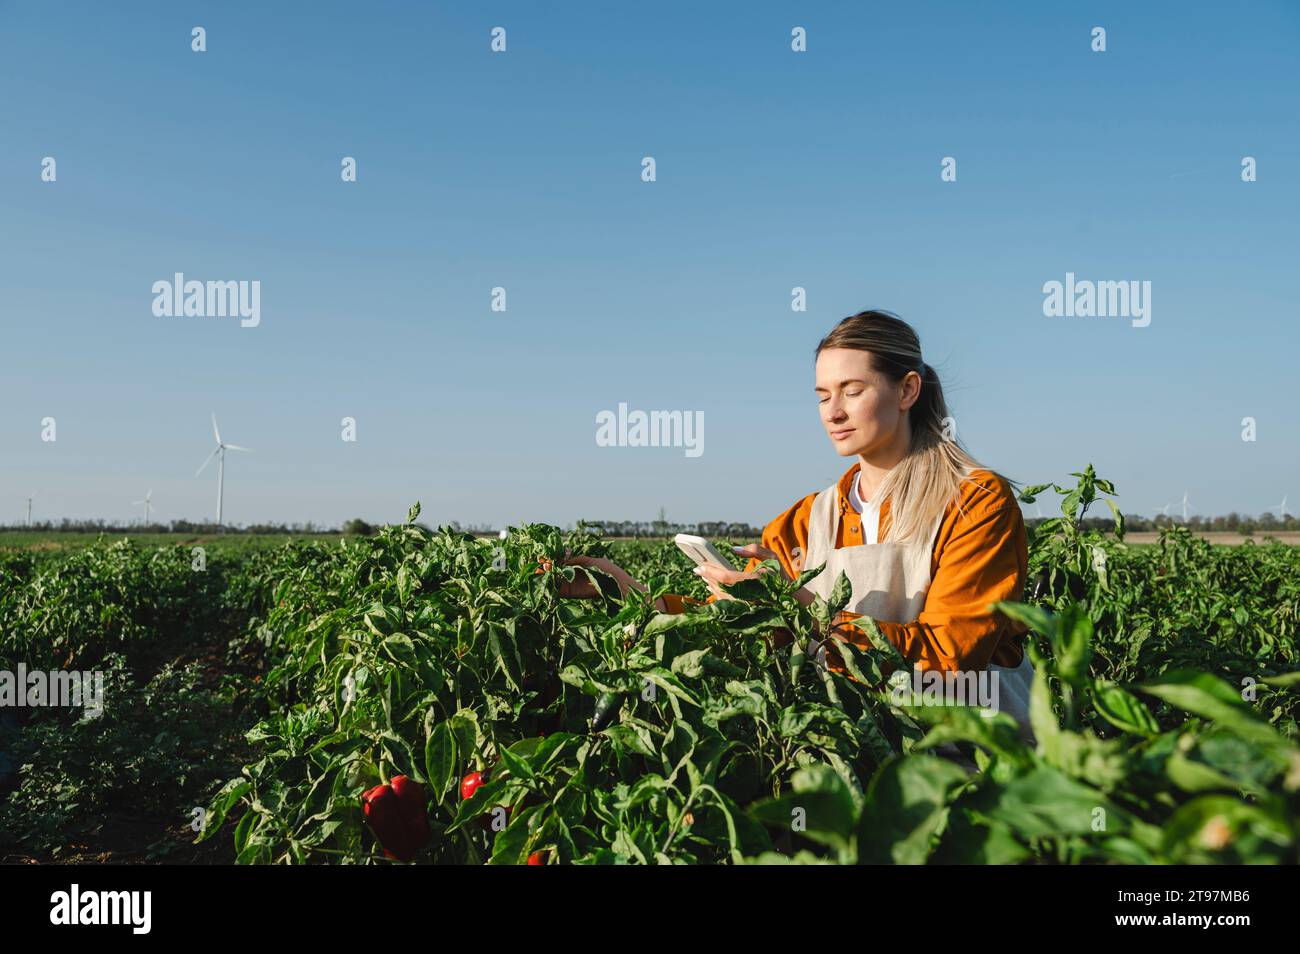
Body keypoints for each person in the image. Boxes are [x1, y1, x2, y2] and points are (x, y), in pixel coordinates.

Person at [559, 309, 1035, 739]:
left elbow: (948, 663)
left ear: (907, 389)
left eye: (853, 390)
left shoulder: (973, 501)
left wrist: (796, 603)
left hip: (967, 760)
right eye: (823, 395)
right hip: (855, 750)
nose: (834, 412)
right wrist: (624, 591)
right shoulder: (808, 519)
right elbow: (728, 624)